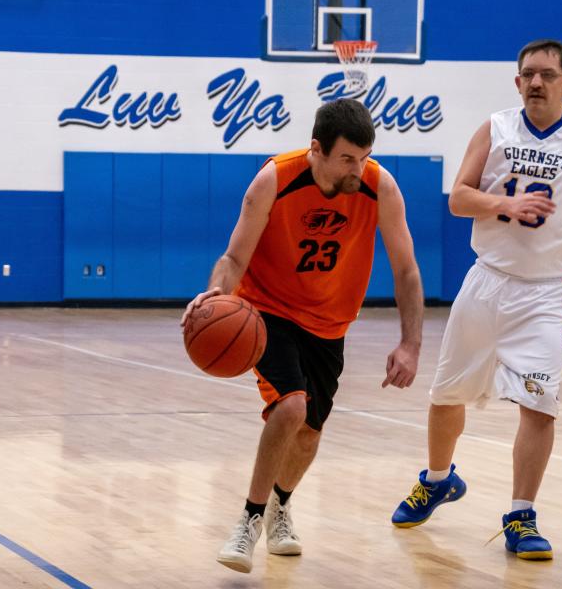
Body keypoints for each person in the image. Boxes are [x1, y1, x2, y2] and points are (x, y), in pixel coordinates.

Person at [389, 39, 562, 560]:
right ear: (516, 81)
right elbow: (460, 197)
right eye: (528, 74)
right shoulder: (494, 128)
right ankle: (438, 478)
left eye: (547, 75)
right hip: (486, 281)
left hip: (548, 295)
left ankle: (520, 515)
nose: (536, 82)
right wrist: (505, 202)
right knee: (446, 397)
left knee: (539, 407)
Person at [182, 99, 424, 574]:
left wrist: (410, 343)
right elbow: (234, 258)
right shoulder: (275, 179)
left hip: (330, 324)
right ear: (317, 149)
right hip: (267, 310)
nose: (360, 167)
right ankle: (249, 520)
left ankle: (280, 507)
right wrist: (214, 295)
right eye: (348, 159)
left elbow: (407, 269)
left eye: (366, 156)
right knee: (291, 405)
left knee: (310, 435)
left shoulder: (380, 187)